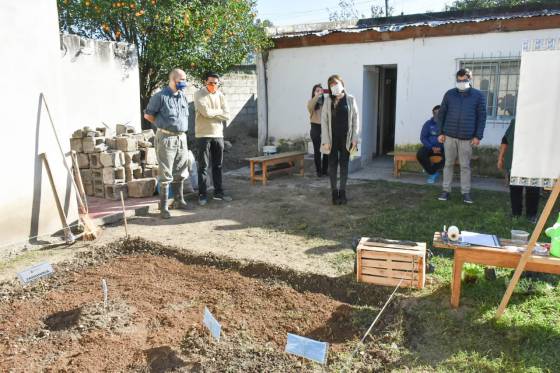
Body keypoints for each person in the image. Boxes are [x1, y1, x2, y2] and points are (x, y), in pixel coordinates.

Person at [144, 68, 190, 219]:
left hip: (181, 138)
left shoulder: (182, 96)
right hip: (166, 138)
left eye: (184, 79)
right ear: (172, 80)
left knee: (181, 170)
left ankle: (179, 200)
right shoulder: (160, 97)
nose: (184, 82)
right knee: (166, 173)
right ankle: (163, 207)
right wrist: (161, 125)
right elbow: (148, 115)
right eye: (181, 80)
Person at [437, 68, 487, 204]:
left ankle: (466, 193)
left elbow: (482, 117)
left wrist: (478, 136)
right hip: (449, 136)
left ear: (469, 79)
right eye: (458, 80)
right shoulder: (449, 94)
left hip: (467, 137)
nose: (461, 82)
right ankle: (446, 191)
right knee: (448, 164)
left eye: (464, 80)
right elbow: (441, 114)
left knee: (465, 166)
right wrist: (440, 132)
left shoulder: (478, 95)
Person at [194, 71, 231, 206]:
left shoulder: (221, 95)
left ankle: (218, 193)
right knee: (203, 166)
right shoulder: (199, 94)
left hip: (218, 135)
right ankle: (202, 195)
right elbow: (205, 112)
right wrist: (219, 112)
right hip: (203, 135)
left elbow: (227, 115)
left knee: (218, 166)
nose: (213, 85)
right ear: (205, 82)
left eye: (216, 83)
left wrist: (214, 113)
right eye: (210, 83)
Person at [321, 75, 359, 205]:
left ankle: (342, 192)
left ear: (342, 83)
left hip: (346, 139)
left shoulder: (350, 99)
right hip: (332, 139)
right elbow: (324, 121)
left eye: (336, 83)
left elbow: (355, 120)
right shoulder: (328, 101)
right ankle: (334, 192)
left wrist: (355, 138)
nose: (334, 87)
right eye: (331, 85)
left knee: (344, 164)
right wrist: (325, 140)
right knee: (332, 165)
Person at [498, 119, 540, 223]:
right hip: (516, 161)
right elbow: (505, 140)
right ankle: (516, 214)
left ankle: (531, 215)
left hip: (534, 162)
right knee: (515, 189)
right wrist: (500, 158)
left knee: (533, 189)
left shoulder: (540, 122)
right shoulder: (515, 121)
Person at [417, 105, 444, 184]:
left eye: (439, 112)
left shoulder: (447, 124)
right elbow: (423, 137)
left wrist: (441, 147)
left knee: (449, 157)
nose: (437, 114)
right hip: (430, 147)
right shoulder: (428, 124)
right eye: (435, 113)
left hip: (443, 148)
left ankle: (431, 171)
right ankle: (433, 173)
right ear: (433, 113)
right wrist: (431, 147)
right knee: (420, 154)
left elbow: (450, 139)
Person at [307, 84, 328, 177]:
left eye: (320, 90)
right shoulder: (311, 102)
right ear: (314, 92)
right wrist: (316, 96)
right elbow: (310, 107)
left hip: (325, 127)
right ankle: (318, 171)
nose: (319, 92)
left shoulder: (326, 102)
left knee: (326, 150)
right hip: (315, 127)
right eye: (317, 90)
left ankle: (325, 170)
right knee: (317, 151)